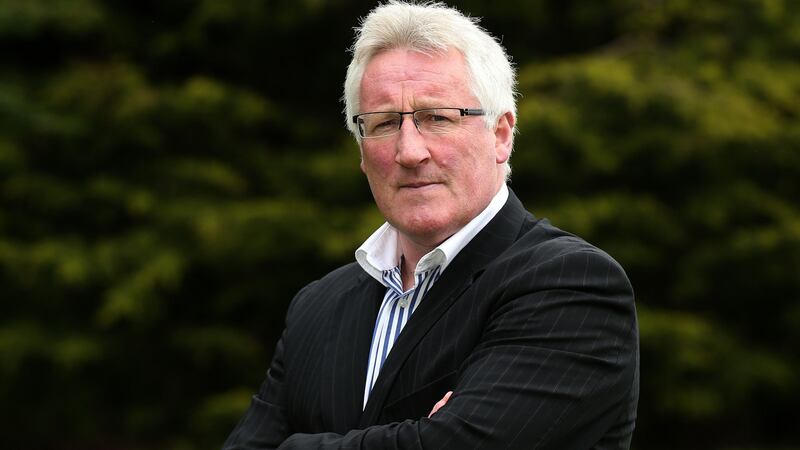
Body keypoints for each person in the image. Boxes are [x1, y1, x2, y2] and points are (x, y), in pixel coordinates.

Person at [223, 1, 638, 449]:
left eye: (436, 118)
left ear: (501, 135)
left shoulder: (570, 285)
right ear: (362, 154)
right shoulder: (317, 307)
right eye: (382, 124)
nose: (409, 151)